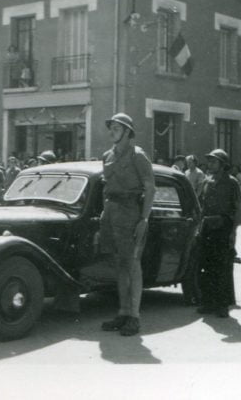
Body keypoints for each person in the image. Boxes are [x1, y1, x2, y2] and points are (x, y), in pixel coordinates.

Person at [99, 113, 155, 337]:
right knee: (119, 265)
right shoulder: (107, 156)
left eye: (116, 128)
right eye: (111, 127)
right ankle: (123, 312)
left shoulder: (138, 156)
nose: (111, 131)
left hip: (131, 212)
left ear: (127, 132)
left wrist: (144, 219)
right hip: (112, 212)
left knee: (132, 265)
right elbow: (106, 187)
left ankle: (134, 317)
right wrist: (105, 213)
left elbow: (150, 188)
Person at [197, 148, 241, 318]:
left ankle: (223, 304)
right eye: (209, 161)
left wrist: (233, 232)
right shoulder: (207, 182)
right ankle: (209, 302)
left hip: (223, 227)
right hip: (208, 227)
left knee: (223, 267)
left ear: (223, 165)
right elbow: (202, 206)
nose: (210, 164)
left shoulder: (232, 183)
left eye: (214, 161)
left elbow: (237, 208)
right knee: (207, 266)